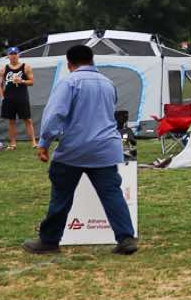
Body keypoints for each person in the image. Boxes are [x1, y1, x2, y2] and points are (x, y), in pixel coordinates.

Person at [23, 43, 137, 255]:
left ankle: (49, 241)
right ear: (92, 60)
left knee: (61, 196)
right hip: (106, 149)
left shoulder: (69, 83)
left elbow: (54, 115)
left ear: (69, 64)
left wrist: (44, 143)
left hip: (74, 149)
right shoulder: (108, 83)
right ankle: (126, 238)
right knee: (112, 194)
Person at [0, 46, 38, 150]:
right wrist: (2, 97)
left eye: (15, 54)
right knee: (11, 121)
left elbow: (32, 82)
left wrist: (22, 81)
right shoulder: (3, 69)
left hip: (22, 97)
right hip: (9, 98)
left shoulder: (26, 67)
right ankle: (13, 143)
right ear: (8, 56)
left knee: (27, 119)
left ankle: (34, 142)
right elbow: (0, 85)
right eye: (11, 54)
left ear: (18, 55)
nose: (13, 56)